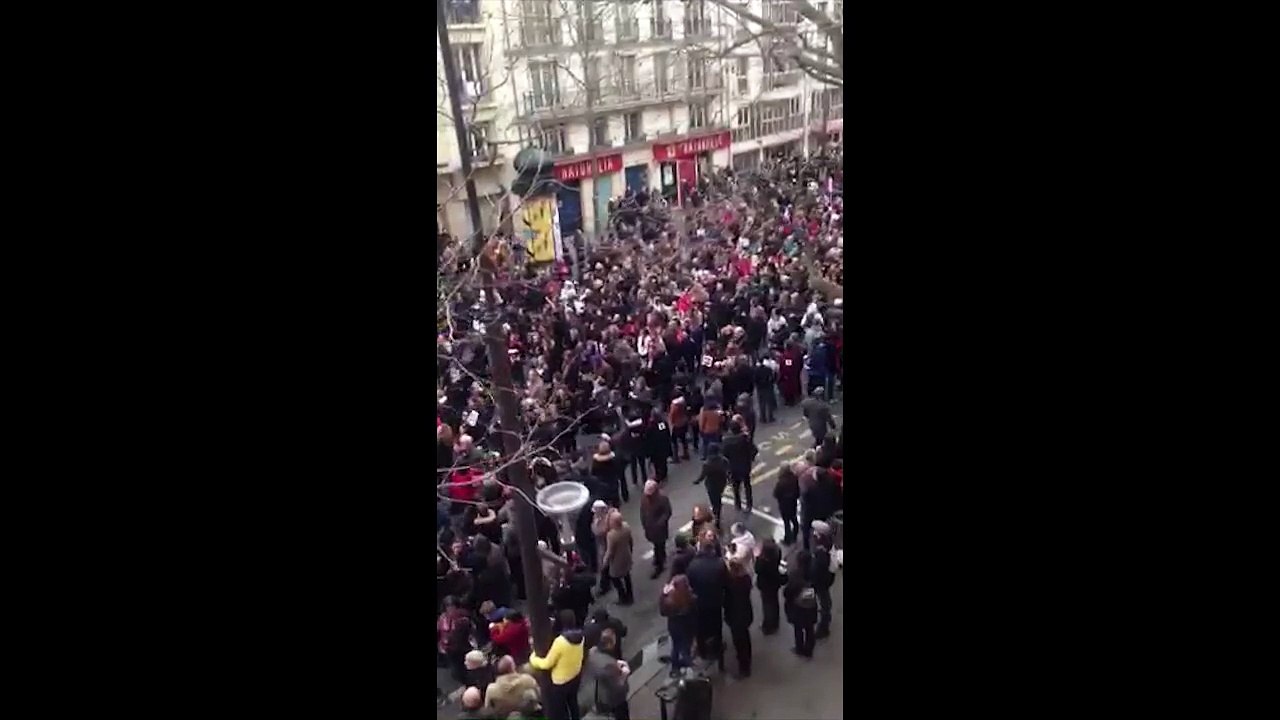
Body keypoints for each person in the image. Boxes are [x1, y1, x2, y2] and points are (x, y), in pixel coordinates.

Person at [528, 610, 586, 720]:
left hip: (560, 682)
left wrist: (533, 658)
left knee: (559, 709)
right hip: (575, 676)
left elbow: (546, 664)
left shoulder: (560, 642)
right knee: (573, 703)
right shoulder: (581, 636)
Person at [685, 532, 728, 671]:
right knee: (717, 625)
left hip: (700, 603)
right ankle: (717, 647)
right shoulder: (719, 564)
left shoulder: (693, 566)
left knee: (700, 627)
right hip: (715, 601)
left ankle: (702, 649)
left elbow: (689, 585)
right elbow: (725, 582)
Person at [585, 628, 632, 720]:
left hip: (597, 695)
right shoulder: (609, 664)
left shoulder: (592, 652)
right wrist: (624, 675)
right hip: (611, 701)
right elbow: (619, 689)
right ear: (610, 643)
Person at [660, 574, 698, 675]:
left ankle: (675, 667)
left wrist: (663, 595)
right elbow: (695, 611)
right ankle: (688, 664)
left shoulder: (668, 601)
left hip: (674, 626)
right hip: (688, 626)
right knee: (686, 647)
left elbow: (662, 612)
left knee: (676, 646)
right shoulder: (691, 598)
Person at [723, 558, 755, 678]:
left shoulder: (730, 582)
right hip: (746, 612)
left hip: (734, 615)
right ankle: (747, 658)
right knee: (745, 637)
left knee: (738, 641)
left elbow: (726, 599)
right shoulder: (746, 579)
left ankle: (744, 667)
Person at [783, 551, 818, 658]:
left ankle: (799, 648)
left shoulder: (796, 574)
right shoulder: (814, 572)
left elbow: (789, 591)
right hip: (811, 604)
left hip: (798, 606)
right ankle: (809, 649)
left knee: (798, 628)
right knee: (810, 628)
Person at [809, 520, 837, 639]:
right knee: (825, 600)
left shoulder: (821, 553)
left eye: (816, 532)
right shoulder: (827, 545)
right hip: (826, 580)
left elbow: (817, 570)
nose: (813, 534)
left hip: (821, 582)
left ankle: (824, 627)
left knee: (824, 601)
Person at [722, 421, 757, 513]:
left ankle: (738, 504)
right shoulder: (744, 439)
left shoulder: (726, 441)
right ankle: (749, 504)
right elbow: (754, 450)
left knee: (736, 487)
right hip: (745, 466)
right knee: (747, 485)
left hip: (733, 468)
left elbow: (723, 455)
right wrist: (750, 458)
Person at [438, 596, 474, 686]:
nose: (450, 609)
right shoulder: (443, 618)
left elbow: (469, 630)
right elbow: (440, 631)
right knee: (457, 670)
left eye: (452, 606)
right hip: (450, 649)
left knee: (468, 666)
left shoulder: (463, 617)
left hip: (463, 646)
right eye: (448, 606)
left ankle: (471, 683)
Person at [640, 480, 672, 579]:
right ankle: (661, 556)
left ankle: (660, 565)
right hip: (649, 527)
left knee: (659, 545)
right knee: (656, 544)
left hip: (659, 529)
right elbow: (642, 511)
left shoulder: (662, 498)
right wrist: (644, 523)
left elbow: (667, 512)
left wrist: (660, 523)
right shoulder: (644, 498)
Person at [603, 509, 636, 604]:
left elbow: (610, 551)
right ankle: (630, 595)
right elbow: (630, 541)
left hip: (617, 561)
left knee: (615, 578)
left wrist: (605, 561)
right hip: (627, 555)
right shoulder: (626, 526)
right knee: (627, 576)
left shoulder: (611, 535)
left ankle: (623, 597)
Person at [692, 444, 729, 523]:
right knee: (718, 496)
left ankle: (716, 513)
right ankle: (718, 513)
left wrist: (697, 481)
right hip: (721, 482)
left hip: (711, 484)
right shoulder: (723, 460)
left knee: (713, 499)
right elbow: (727, 471)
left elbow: (703, 475)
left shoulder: (707, 464)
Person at [756, 538, 784, 634]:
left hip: (765, 585)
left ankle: (768, 625)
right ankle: (775, 622)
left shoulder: (762, 561)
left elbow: (757, 570)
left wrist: (757, 556)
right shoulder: (777, 553)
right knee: (774, 602)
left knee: (767, 605)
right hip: (775, 582)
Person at [591, 440, 627, 505]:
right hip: (613, 483)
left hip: (602, 484)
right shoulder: (614, 460)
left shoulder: (596, 462)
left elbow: (593, 473)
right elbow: (618, 470)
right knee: (615, 500)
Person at [773, 462, 801, 545]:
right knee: (794, 519)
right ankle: (795, 535)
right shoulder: (794, 477)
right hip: (793, 503)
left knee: (786, 523)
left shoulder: (781, 482)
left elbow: (776, 494)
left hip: (784, 505)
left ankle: (787, 540)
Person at [590, 501, 613, 595]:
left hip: (605, 546)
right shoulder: (598, 517)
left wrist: (595, 525)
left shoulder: (607, 519)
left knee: (604, 566)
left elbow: (599, 532)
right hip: (601, 546)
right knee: (604, 566)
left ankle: (605, 586)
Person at [645, 409, 673, 482]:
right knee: (663, 461)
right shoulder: (663, 423)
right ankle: (664, 473)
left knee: (657, 463)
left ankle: (659, 475)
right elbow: (667, 433)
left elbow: (648, 438)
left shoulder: (651, 426)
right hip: (664, 445)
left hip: (656, 448)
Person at [668, 395, 691, 462]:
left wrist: (671, 422)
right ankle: (686, 454)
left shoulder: (674, 405)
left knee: (674, 441)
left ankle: (675, 457)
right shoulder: (683, 403)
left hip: (677, 425)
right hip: (684, 422)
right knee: (683, 439)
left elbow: (672, 415)